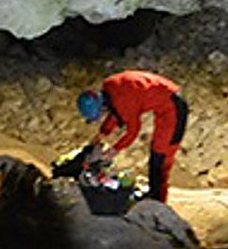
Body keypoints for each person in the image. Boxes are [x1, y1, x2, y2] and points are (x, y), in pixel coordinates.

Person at [77, 70, 188, 203]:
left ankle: (158, 201)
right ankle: (154, 193)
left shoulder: (125, 101)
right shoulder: (110, 88)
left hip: (173, 107)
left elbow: (132, 132)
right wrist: (102, 134)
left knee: (161, 155)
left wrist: (113, 150)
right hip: (165, 100)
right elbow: (115, 112)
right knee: (157, 151)